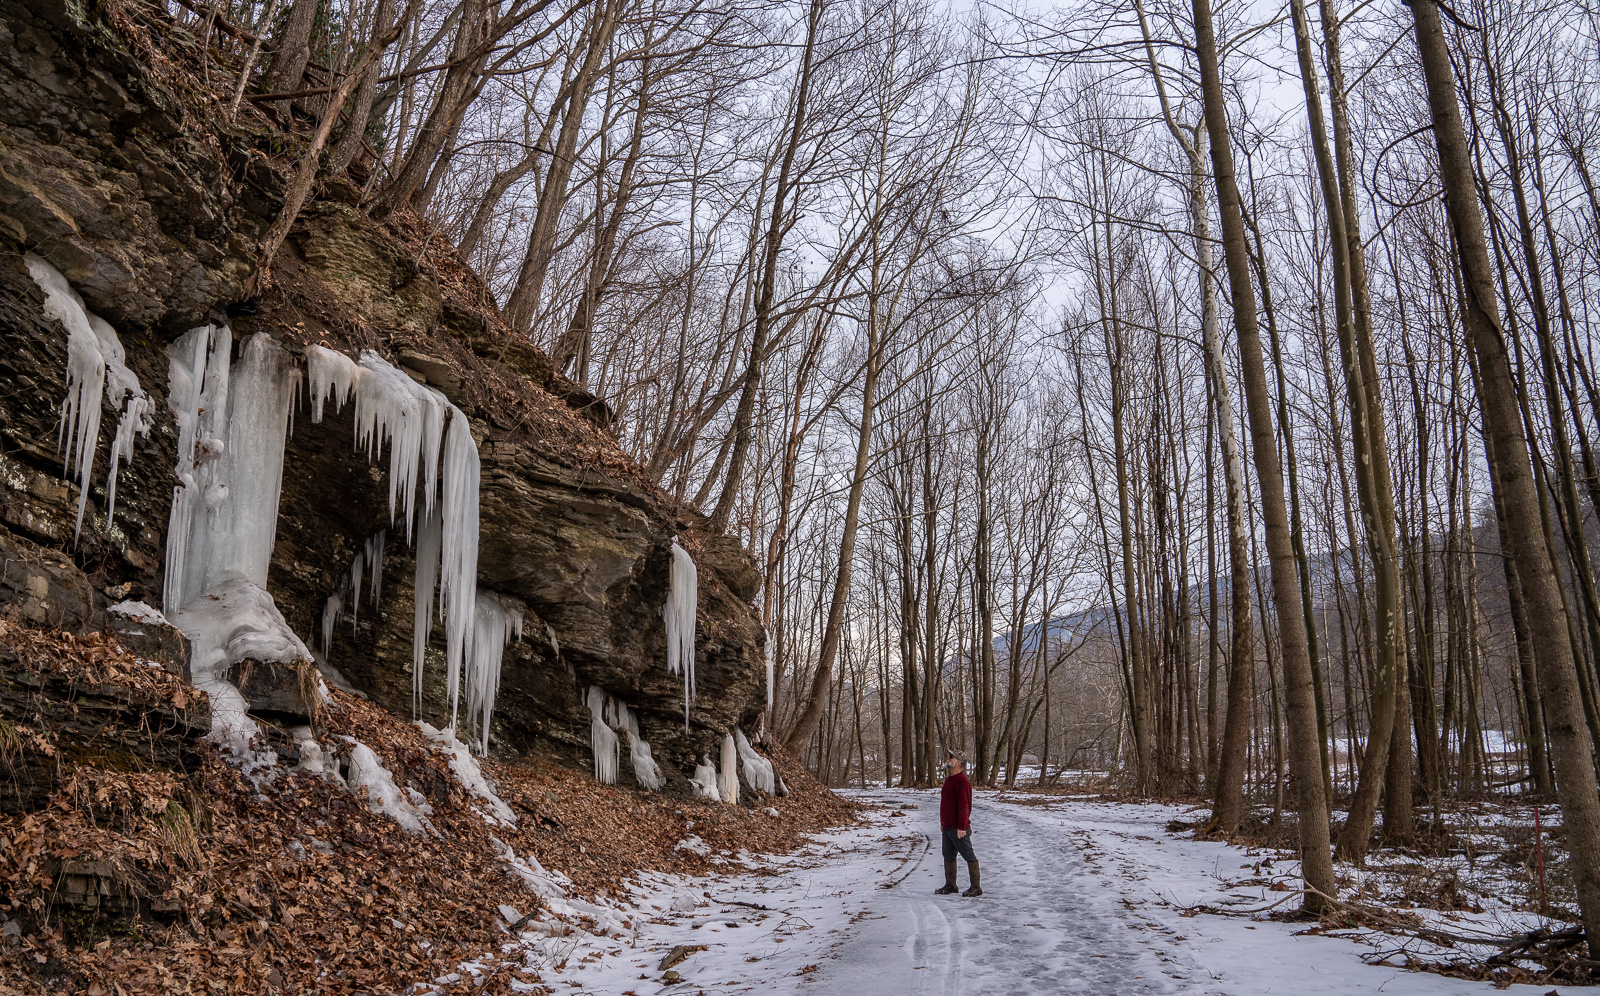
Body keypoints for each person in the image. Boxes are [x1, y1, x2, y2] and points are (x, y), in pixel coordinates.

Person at [935, 750, 981, 897]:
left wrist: (962, 826)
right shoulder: (949, 780)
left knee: (968, 855)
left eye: (951, 757)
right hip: (947, 827)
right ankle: (950, 885)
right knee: (948, 855)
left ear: (959, 762)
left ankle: (976, 887)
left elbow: (964, 806)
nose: (948, 759)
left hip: (958, 828)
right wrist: (943, 822)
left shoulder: (962, 781)